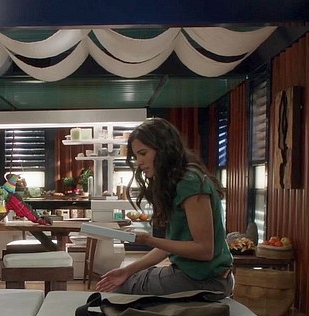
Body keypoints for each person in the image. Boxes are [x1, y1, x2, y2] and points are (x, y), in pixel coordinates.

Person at [95, 118, 234, 299]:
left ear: (164, 149)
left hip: (206, 282)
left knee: (118, 294)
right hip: (197, 277)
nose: (139, 162)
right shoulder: (179, 182)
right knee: (122, 283)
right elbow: (171, 246)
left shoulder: (190, 182)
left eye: (143, 153)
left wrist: (148, 239)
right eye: (136, 156)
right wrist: (127, 271)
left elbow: (204, 250)